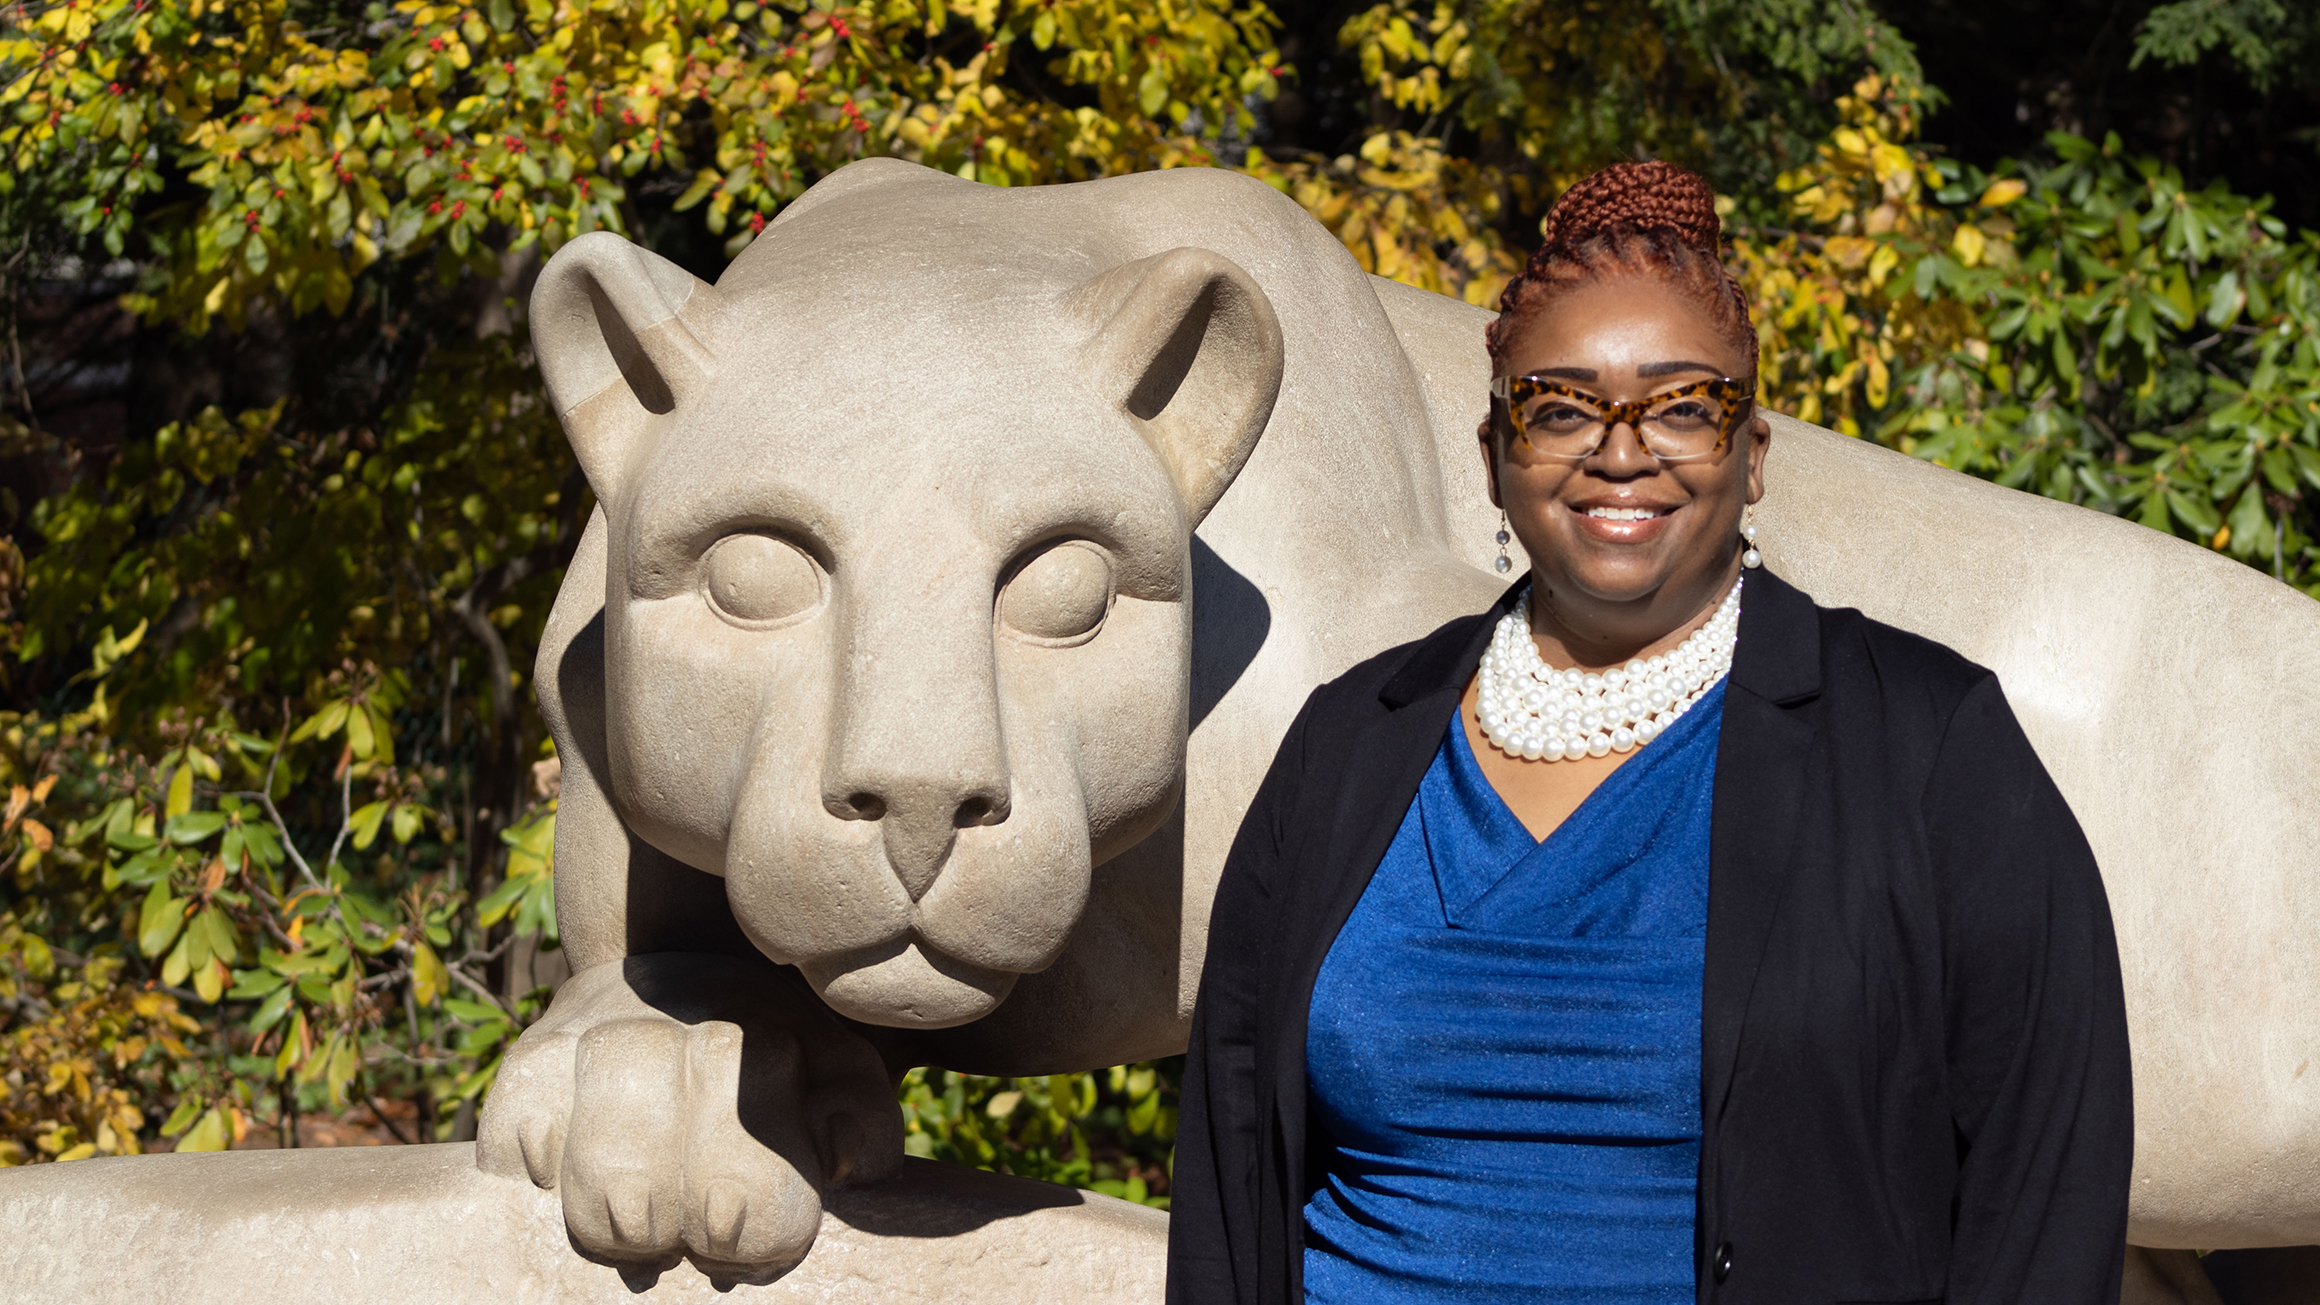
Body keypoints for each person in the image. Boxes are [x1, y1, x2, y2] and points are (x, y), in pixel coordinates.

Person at [1166, 160, 2133, 1304]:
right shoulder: (1352, 743)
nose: (1620, 452)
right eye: (1560, 406)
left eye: (1682, 406)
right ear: (1494, 455)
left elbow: (2047, 1176)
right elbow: (1231, 1158)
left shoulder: (1925, 745)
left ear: (1754, 453)